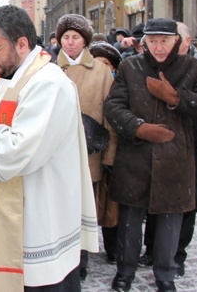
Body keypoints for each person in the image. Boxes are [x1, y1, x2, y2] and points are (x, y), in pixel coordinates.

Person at [0, 5, 98, 291]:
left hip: (34, 223)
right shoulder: (7, 74)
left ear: (22, 43)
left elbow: (19, 149)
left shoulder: (49, 84)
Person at [104, 18, 197, 292]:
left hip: (175, 158)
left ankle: (165, 274)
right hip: (135, 158)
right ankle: (125, 272)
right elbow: (113, 106)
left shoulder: (191, 67)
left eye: (164, 41)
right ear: (144, 43)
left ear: (175, 41)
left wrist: (177, 98)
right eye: (152, 41)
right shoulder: (130, 67)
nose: (158, 47)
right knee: (130, 220)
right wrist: (139, 128)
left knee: (170, 218)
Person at [138, 22, 197, 278]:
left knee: (187, 200)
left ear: (186, 41)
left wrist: (196, 130)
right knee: (156, 195)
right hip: (163, 142)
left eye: (174, 40)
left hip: (196, 143)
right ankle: (153, 248)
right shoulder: (156, 65)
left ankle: (177, 254)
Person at [55, 14, 118, 278]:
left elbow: (111, 116)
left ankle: (80, 260)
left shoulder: (102, 72)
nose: (70, 43)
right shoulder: (48, 68)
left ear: (85, 41)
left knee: (84, 206)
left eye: (76, 38)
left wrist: (110, 155)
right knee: (59, 206)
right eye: (66, 37)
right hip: (57, 152)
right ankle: (61, 254)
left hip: (89, 150)